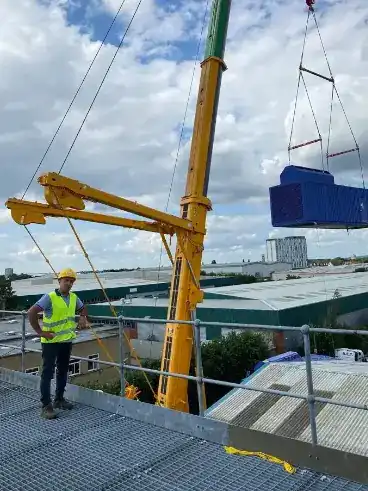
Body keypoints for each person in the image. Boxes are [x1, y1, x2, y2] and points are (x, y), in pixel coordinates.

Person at [28, 268, 88, 419]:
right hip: (51, 341)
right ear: (59, 281)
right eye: (66, 280)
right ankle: (46, 406)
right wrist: (40, 332)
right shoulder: (50, 297)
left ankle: (59, 399)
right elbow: (32, 312)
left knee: (62, 371)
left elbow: (83, 308)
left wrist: (82, 317)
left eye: (71, 281)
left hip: (66, 341)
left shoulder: (74, 298)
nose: (69, 283)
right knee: (47, 373)